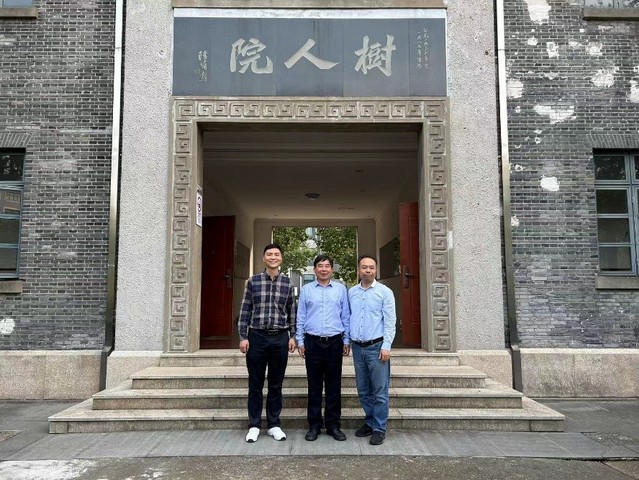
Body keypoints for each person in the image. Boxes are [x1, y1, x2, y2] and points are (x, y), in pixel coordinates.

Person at [238, 243, 296, 443]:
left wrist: (293, 335)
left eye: (276, 254)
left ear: (281, 258)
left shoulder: (288, 283)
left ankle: (274, 425)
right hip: (257, 337)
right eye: (269, 254)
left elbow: (292, 311)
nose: (273, 257)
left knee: (276, 384)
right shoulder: (253, 281)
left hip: (280, 338)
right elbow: (245, 309)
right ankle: (254, 425)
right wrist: (243, 337)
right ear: (263, 258)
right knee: (255, 384)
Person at [296, 254, 350, 442]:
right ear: (315, 269)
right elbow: (301, 316)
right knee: (314, 386)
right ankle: (314, 425)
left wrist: (347, 340)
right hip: (312, 342)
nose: (324, 269)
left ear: (332, 269)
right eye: (320, 266)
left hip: (335, 342)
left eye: (327, 266)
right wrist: (300, 341)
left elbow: (346, 316)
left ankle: (333, 425)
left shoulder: (341, 289)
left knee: (334, 386)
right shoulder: (306, 290)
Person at [348, 254, 396, 446]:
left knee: (380, 392)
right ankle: (369, 422)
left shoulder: (385, 292)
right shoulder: (352, 292)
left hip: (377, 347)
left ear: (376, 270)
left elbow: (390, 321)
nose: (367, 270)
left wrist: (386, 346)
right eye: (364, 267)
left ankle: (379, 428)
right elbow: (348, 318)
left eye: (371, 267)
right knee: (363, 390)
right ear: (358, 270)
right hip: (357, 348)